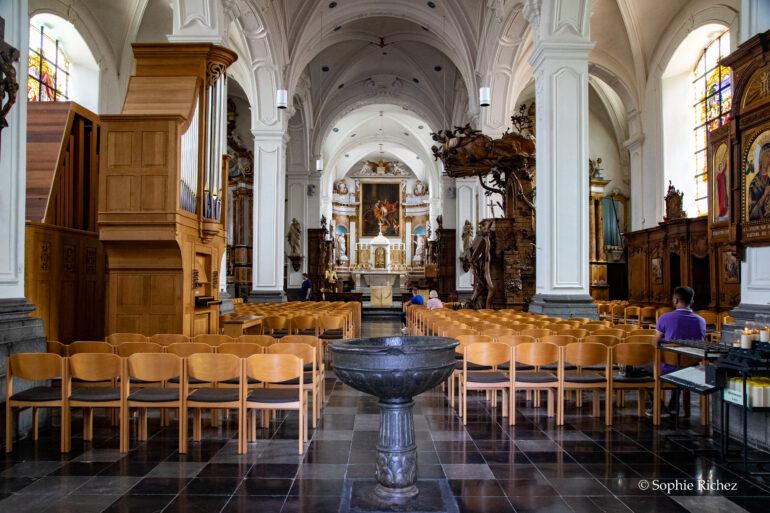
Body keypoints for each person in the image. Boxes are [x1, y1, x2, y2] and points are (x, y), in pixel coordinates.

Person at [645, 286, 706, 417]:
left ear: (676, 300)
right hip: (692, 368)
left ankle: (658, 405)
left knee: (643, 370)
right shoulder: (701, 321)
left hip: (670, 367)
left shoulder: (665, 318)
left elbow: (655, 343)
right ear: (692, 302)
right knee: (679, 364)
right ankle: (674, 404)